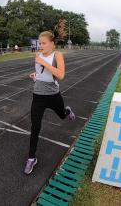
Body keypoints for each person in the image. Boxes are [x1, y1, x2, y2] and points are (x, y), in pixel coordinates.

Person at [24, 31, 75, 175]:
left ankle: (68, 111)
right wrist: (35, 76)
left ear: (52, 44)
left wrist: (44, 63)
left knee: (62, 115)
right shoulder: (37, 56)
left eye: (44, 43)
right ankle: (31, 158)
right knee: (35, 127)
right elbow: (42, 73)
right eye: (40, 43)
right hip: (38, 95)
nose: (41, 45)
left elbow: (61, 75)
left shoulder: (57, 55)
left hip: (53, 96)